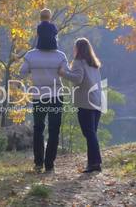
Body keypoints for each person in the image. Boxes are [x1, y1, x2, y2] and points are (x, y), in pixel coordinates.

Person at [20, 31, 68, 173]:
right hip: (56, 96)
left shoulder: (30, 55)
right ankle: (49, 165)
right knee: (54, 130)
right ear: (54, 38)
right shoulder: (60, 55)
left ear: (39, 37)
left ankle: (38, 163)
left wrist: (33, 70)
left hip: (38, 97)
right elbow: (65, 72)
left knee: (38, 129)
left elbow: (21, 73)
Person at [59, 38, 103, 173]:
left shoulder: (78, 62)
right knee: (92, 133)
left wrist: (62, 73)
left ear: (78, 49)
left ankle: (95, 163)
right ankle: (94, 163)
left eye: (75, 47)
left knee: (89, 133)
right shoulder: (94, 64)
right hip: (97, 102)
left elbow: (77, 79)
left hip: (85, 103)